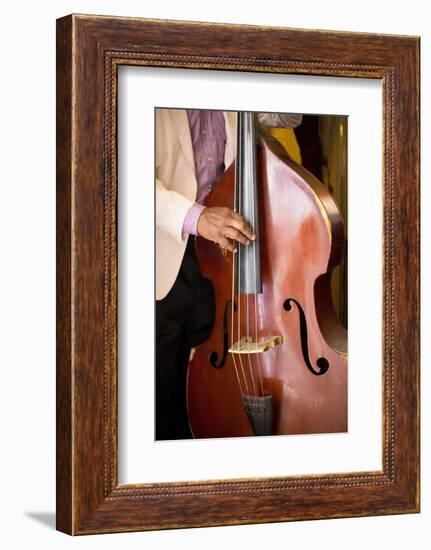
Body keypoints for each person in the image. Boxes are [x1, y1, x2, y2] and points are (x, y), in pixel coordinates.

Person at [155, 109, 302, 440]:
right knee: (160, 387)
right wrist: (198, 218)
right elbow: (124, 178)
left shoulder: (233, 85)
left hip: (228, 257)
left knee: (215, 375)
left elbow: (290, 116)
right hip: (164, 254)